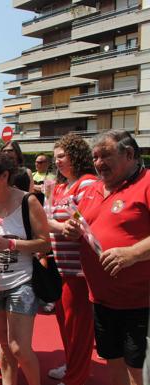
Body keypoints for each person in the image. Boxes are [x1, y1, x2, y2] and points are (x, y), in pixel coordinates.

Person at [63, 129, 150, 385]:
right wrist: (72, 229)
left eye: (106, 156)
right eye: (96, 156)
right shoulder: (94, 190)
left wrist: (133, 253)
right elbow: (82, 223)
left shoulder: (146, 184)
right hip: (102, 300)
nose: (99, 163)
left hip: (141, 303)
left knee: (140, 371)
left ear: (130, 154)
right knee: (113, 364)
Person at [0, 149, 51, 385]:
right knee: (5, 348)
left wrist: (11, 243)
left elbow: (45, 244)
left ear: (5, 175)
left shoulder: (28, 201)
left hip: (20, 283)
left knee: (19, 349)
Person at [46, 133, 97, 385]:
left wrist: (52, 223)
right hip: (60, 266)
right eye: (56, 158)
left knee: (78, 326)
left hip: (78, 269)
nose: (58, 162)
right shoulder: (59, 187)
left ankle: (76, 377)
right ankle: (71, 366)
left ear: (76, 155)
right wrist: (55, 223)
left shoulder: (87, 183)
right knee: (65, 322)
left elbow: (80, 219)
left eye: (62, 156)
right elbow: (47, 220)